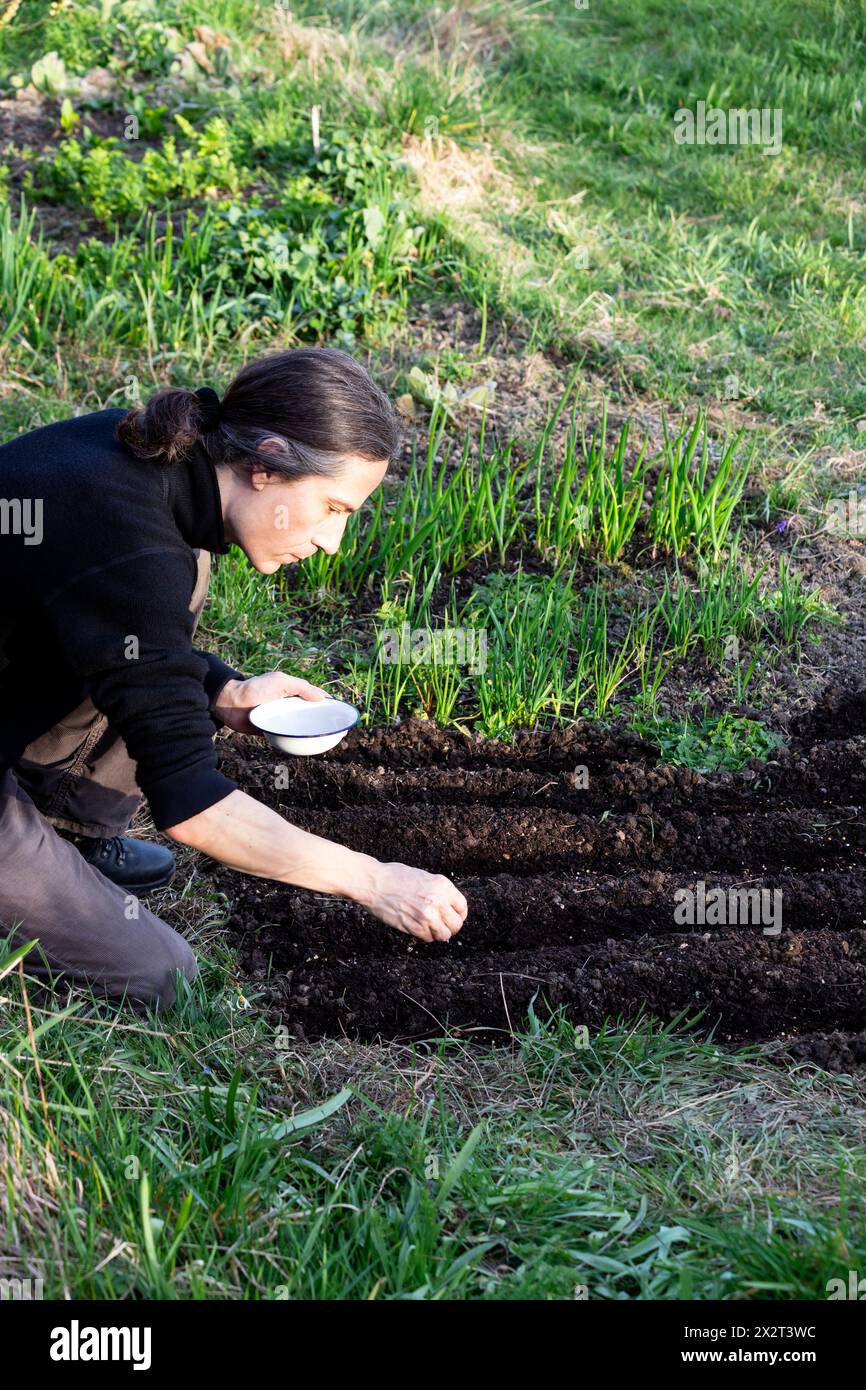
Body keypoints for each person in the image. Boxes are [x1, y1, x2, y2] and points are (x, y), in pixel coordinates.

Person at [0, 347, 468, 1009]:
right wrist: (376, 880)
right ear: (266, 464)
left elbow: (115, 628)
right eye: (332, 508)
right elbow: (192, 808)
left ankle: (71, 825)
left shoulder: (149, 459)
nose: (331, 543)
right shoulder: (133, 547)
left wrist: (224, 690)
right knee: (166, 976)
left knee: (187, 568)